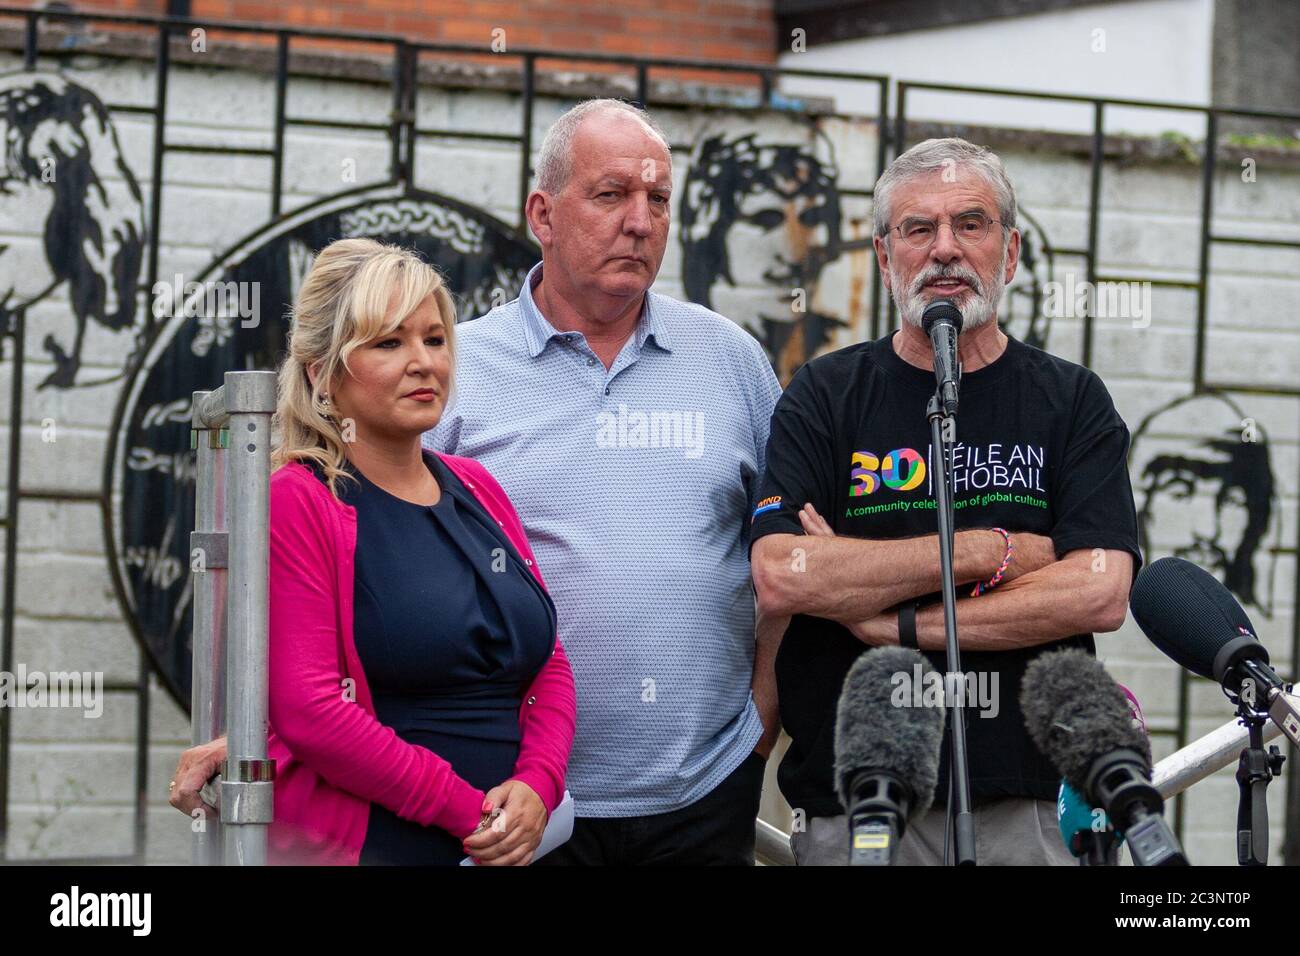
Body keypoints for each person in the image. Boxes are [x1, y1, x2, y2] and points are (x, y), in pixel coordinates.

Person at [749, 137, 1142, 865]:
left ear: (1011, 251)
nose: (945, 250)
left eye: (971, 224)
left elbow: (1099, 592)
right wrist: (987, 551)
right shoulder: (825, 395)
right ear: (884, 255)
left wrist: (891, 620)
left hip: (1028, 804)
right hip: (856, 800)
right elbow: (785, 571)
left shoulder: (1070, 401)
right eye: (918, 229)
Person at [424, 98, 783, 865]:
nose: (641, 222)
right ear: (543, 214)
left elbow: (793, 554)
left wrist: (760, 721)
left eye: (658, 199)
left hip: (704, 791)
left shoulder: (732, 362)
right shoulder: (457, 370)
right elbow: (365, 563)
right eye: (612, 194)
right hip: (513, 797)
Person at [168, 238, 576, 865]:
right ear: (321, 373)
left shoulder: (478, 487)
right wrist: (471, 814)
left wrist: (539, 785)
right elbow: (313, 713)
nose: (423, 363)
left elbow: (548, 658)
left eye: (434, 339)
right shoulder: (299, 500)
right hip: (391, 846)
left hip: (518, 843)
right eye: (389, 342)